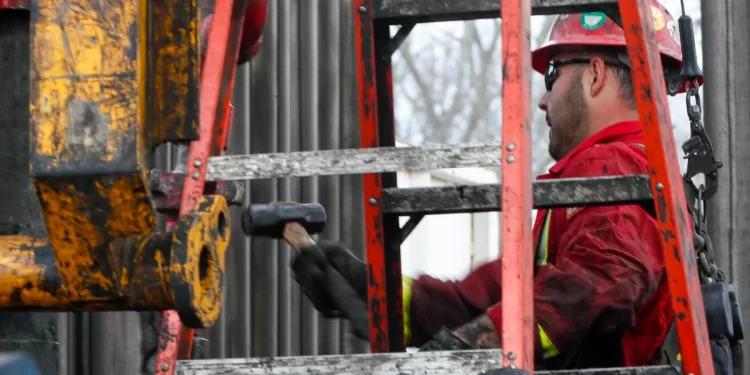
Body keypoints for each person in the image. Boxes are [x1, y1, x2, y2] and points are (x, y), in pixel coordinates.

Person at [291, 0, 695, 370]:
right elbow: (500, 296)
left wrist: (472, 348)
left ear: (595, 74)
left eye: (552, 74)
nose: (542, 101)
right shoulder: (623, 175)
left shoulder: (611, 166)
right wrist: (375, 291)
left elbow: (604, 280)